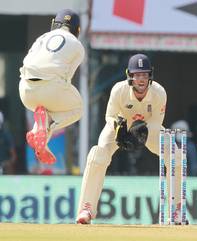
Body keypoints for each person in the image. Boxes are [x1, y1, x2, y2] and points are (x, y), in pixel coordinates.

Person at [76, 54, 186, 224]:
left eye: (144, 75)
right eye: (137, 75)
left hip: (148, 129)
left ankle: (176, 210)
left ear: (150, 75)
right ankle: (86, 208)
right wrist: (119, 128)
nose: (141, 79)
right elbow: (110, 116)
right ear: (130, 76)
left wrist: (140, 133)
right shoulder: (118, 90)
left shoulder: (159, 92)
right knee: (97, 154)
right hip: (120, 127)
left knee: (175, 154)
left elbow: (157, 123)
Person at [19, 9, 84, 165]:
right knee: (78, 109)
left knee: (48, 108)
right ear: (77, 30)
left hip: (25, 91)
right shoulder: (77, 45)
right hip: (51, 88)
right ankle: (45, 125)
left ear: (54, 24)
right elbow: (66, 79)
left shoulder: (41, 38)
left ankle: (40, 134)